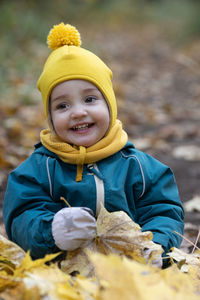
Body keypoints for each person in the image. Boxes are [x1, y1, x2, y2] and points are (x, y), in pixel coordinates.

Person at [3, 23, 184, 265]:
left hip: (130, 273)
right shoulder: (37, 171)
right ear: (49, 117)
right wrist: (52, 231)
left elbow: (164, 212)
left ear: (110, 104)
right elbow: (21, 219)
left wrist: (155, 248)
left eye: (90, 99)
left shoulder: (139, 167)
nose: (78, 112)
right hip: (62, 275)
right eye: (62, 106)